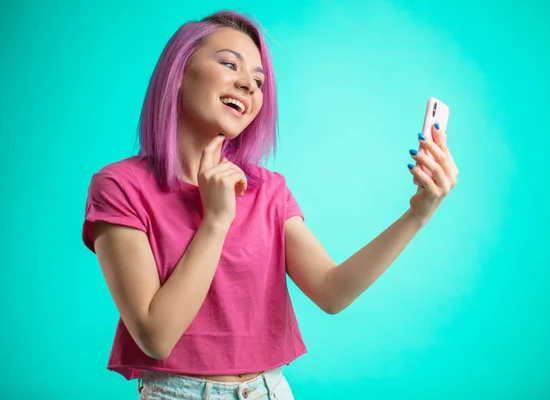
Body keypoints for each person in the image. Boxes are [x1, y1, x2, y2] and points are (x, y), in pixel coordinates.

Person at [81, 10, 458, 400]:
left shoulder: (267, 189)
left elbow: (332, 291)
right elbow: (155, 337)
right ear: (179, 72)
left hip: (270, 390)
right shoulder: (119, 188)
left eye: (259, 82)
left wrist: (419, 212)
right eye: (230, 64)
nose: (248, 85)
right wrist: (216, 220)